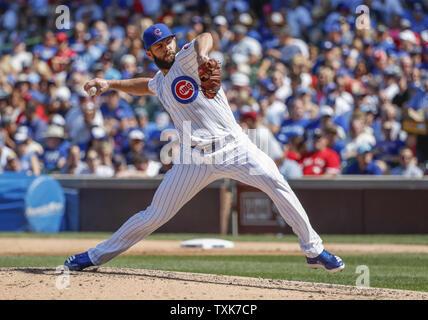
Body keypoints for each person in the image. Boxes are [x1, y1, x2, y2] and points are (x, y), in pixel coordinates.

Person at [65, 23, 344, 273]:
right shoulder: (161, 81)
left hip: (234, 147)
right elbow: (145, 85)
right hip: (193, 159)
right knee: (154, 215)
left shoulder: (186, 59)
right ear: (149, 53)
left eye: (169, 41)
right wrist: (110, 83)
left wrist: (202, 55)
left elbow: (205, 36)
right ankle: (94, 256)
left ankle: (313, 249)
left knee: (276, 181)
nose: (167, 46)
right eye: (159, 45)